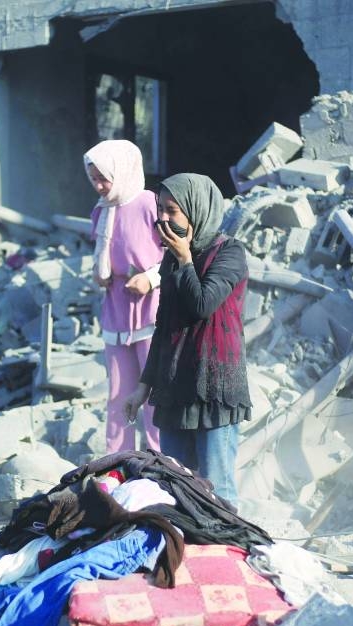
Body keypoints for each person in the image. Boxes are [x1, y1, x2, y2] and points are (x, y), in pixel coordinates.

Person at [124, 173, 252, 505]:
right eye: (160, 210)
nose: (163, 220)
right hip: (174, 387)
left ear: (196, 210)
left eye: (172, 211)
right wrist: (143, 386)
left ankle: (227, 553)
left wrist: (184, 259)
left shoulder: (229, 254)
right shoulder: (171, 259)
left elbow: (202, 305)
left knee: (215, 487)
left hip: (214, 387)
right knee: (174, 483)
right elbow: (164, 326)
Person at [84, 139, 164, 454]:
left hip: (152, 311)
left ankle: (163, 463)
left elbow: (179, 255)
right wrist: (99, 272)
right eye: (94, 180)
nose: (100, 186)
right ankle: (118, 463)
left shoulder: (149, 204)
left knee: (155, 393)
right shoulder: (101, 212)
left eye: (105, 177)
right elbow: (99, 255)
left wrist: (151, 279)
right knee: (119, 394)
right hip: (116, 311)